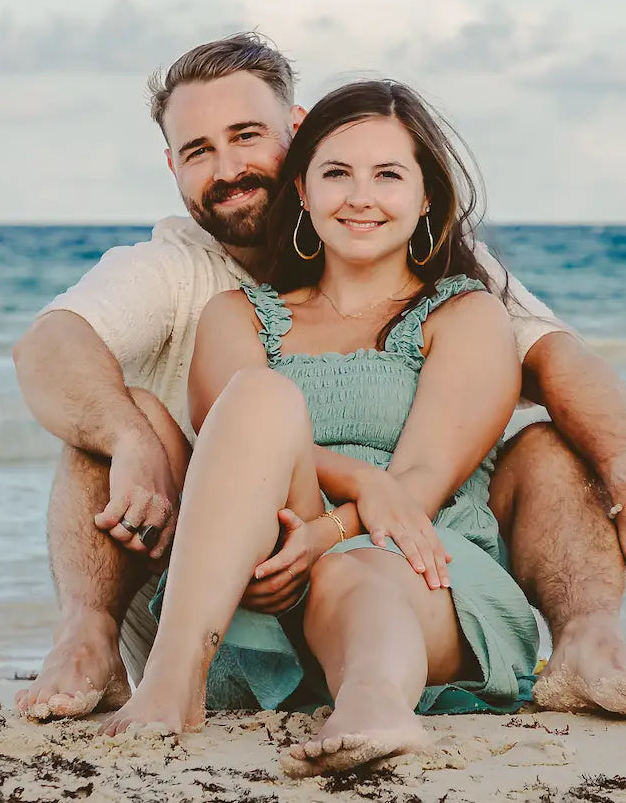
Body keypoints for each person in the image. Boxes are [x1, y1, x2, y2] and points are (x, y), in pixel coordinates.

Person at [11, 33, 626, 727]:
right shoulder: (197, 287)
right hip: (249, 555)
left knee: (539, 452)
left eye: (245, 135)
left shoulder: (463, 298)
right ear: (307, 187)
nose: (227, 167)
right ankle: (106, 648)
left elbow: (560, 365)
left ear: (293, 137)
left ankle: (568, 653)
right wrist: (131, 439)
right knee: (141, 416)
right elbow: (54, 347)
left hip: (406, 556)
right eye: (199, 151)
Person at [101, 79, 540, 777]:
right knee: (258, 397)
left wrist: (326, 535)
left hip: (420, 563)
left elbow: (417, 487)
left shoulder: (465, 315)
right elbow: (236, 448)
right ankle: (171, 680)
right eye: (337, 174)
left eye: (388, 175)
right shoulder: (237, 315)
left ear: (426, 196)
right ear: (302, 191)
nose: (360, 196)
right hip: (265, 575)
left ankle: (373, 704)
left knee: (355, 572)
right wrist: (329, 506)